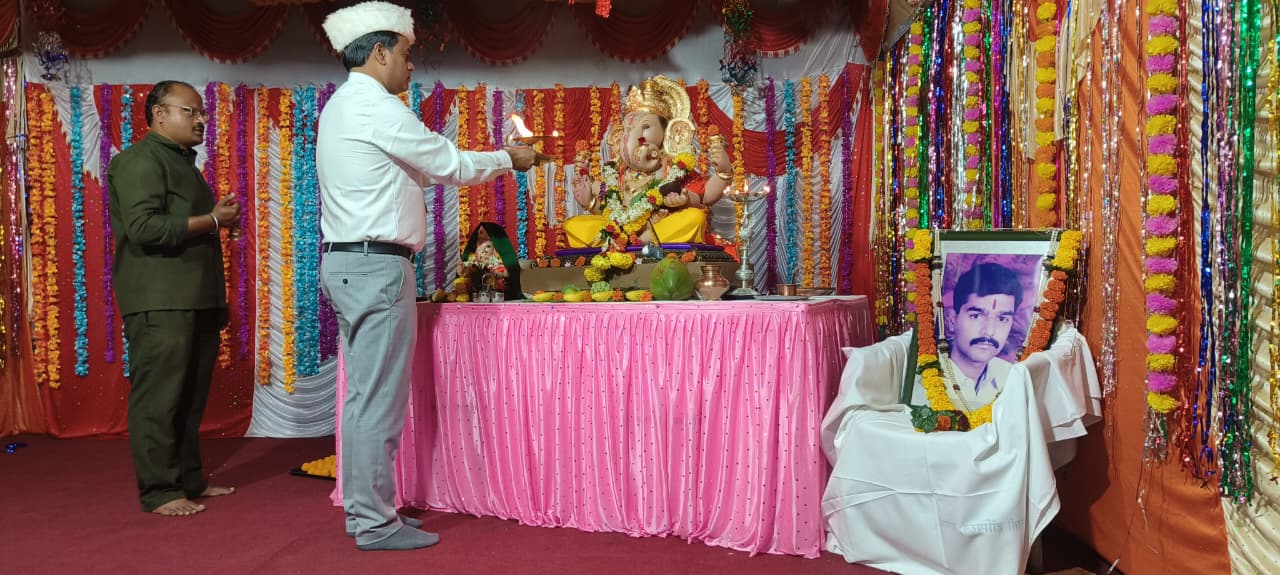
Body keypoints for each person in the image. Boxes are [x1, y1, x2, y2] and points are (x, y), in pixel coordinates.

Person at [317, 1, 545, 551]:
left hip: (349, 262)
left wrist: (488, 159)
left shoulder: (341, 106)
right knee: (378, 400)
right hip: (376, 266)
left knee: (363, 398)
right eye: (406, 52)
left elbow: (421, 169)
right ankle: (376, 524)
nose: (411, 64)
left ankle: (365, 514)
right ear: (379, 52)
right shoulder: (375, 106)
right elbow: (447, 163)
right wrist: (508, 160)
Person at [107, 80, 241, 517]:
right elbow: (143, 228)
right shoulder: (139, 161)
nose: (201, 120)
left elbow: (185, 225)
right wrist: (211, 220)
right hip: (161, 299)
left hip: (194, 297)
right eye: (190, 111)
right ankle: (160, 491)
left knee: (189, 397)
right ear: (159, 114)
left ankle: (189, 480)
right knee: (160, 397)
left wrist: (216, 222)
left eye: (202, 112)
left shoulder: (183, 163)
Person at [564, 75, 734, 248]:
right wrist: (590, 202)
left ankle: (639, 241)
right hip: (619, 229)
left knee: (694, 218)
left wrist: (721, 173)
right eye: (629, 129)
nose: (634, 135)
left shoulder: (674, 166)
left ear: (667, 131)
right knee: (573, 225)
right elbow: (610, 210)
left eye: (645, 127)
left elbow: (706, 196)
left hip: (658, 227)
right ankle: (624, 240)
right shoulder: (618, 171)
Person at [942, 261, 1023, 410]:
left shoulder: (1014, 379)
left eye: (1002, 319)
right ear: (952, 320)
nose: (989, 331)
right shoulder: (923, 375)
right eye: (976, 316)